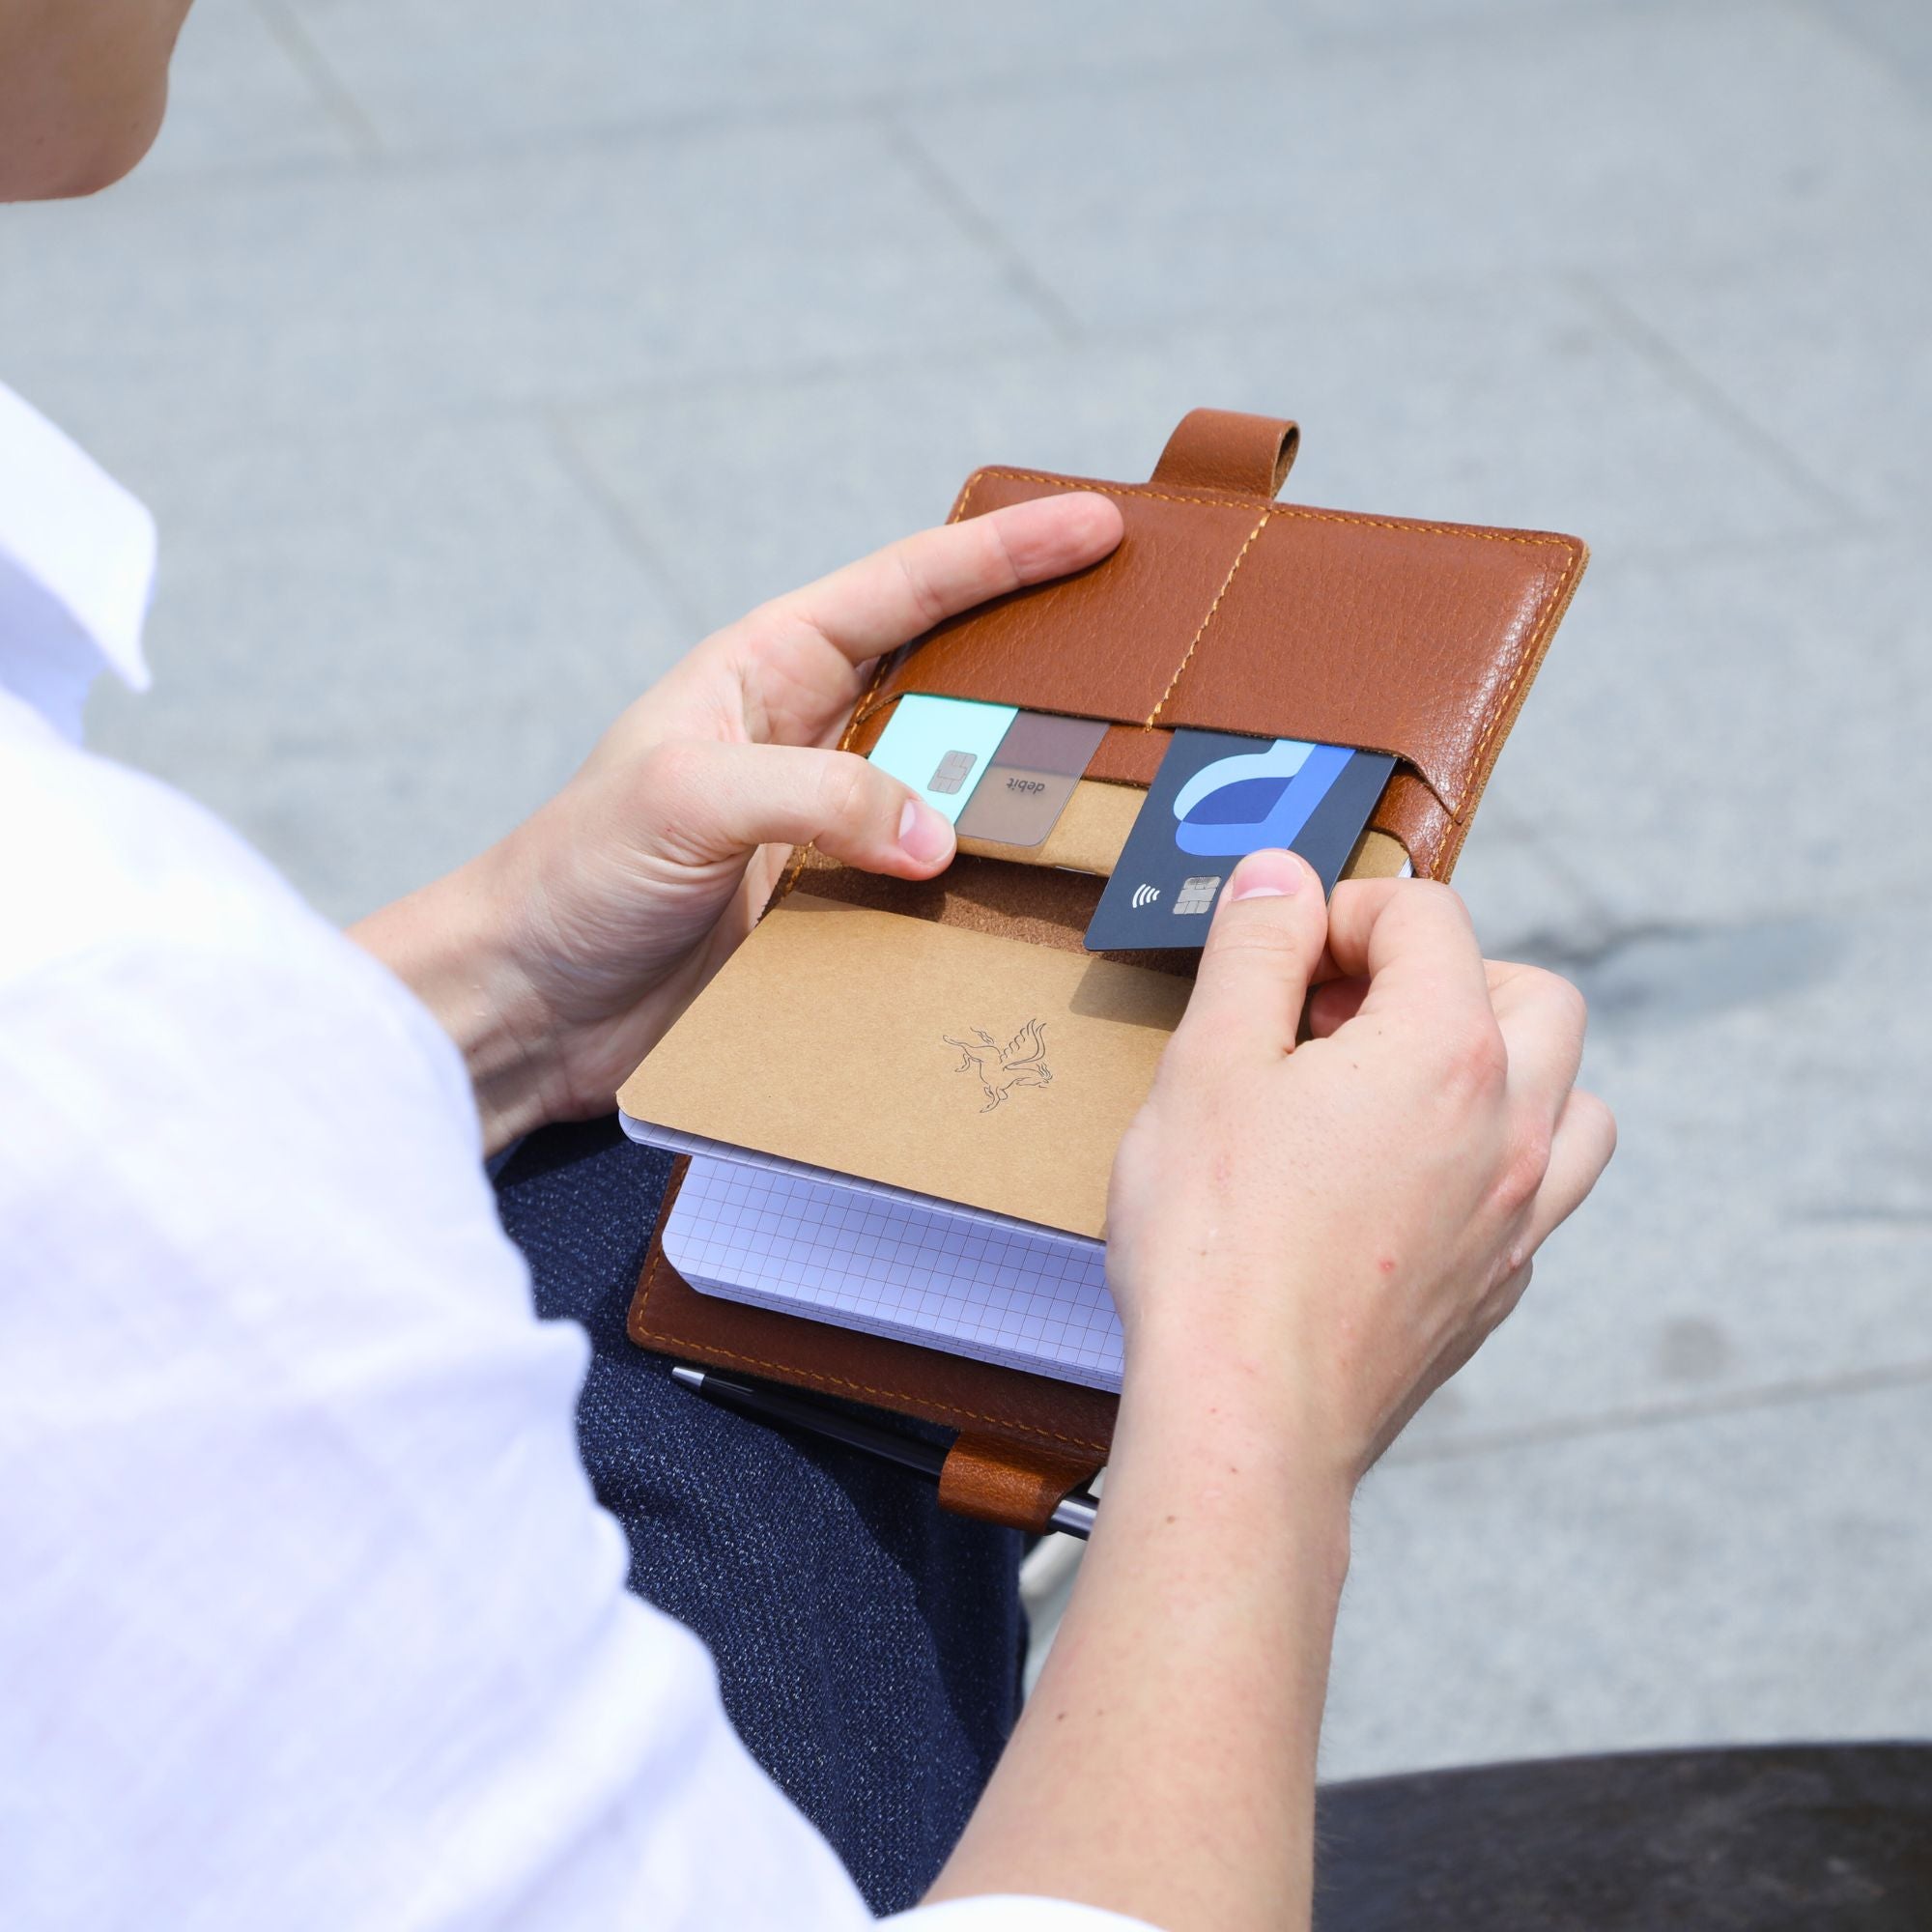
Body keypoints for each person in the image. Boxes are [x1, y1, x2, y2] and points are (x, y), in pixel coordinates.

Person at [0, 7, 1616, 1929]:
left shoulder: (104, 1002)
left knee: (648, 1177)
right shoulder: (99, 1002)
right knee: (745, 1326)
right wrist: (1267, 1397)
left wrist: (495, 992)